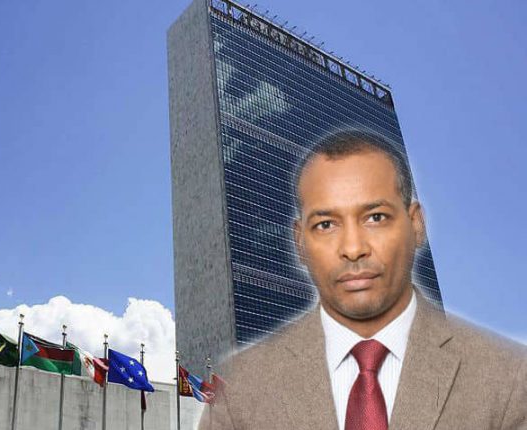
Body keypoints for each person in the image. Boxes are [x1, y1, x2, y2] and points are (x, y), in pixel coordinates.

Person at [200, 130, 527, 430]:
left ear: (416, 224)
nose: (353, 248)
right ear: (300, 243)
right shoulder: (240, 393)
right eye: (326, 224)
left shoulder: (510, 380)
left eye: (375, 217)